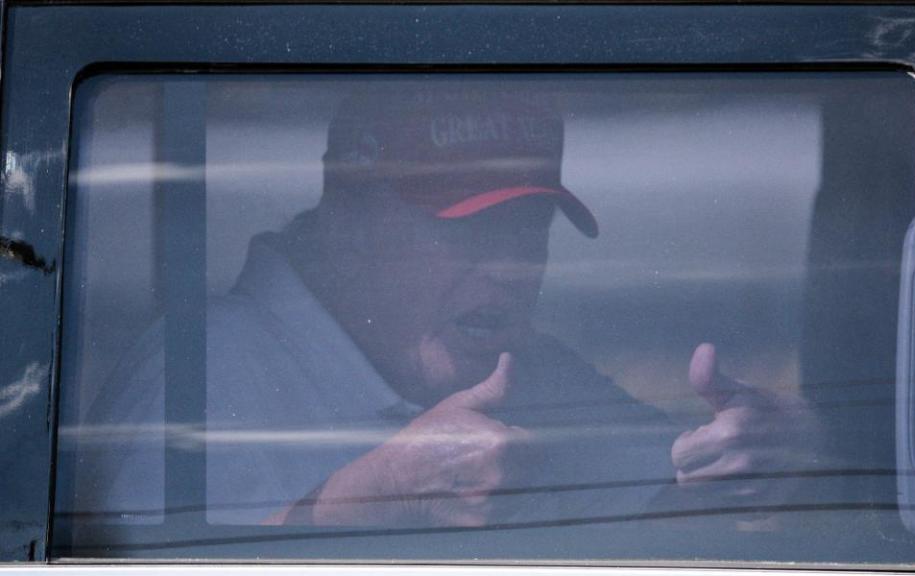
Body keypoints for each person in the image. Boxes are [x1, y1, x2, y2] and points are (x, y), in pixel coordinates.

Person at [75, 86, 818, 555]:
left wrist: (750, 457)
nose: (509, 267)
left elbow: (672, 480)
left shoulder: (528, 372)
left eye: (530, 229)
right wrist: (364, 508)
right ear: (347, 211)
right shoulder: (190, 380)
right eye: (464, 227)